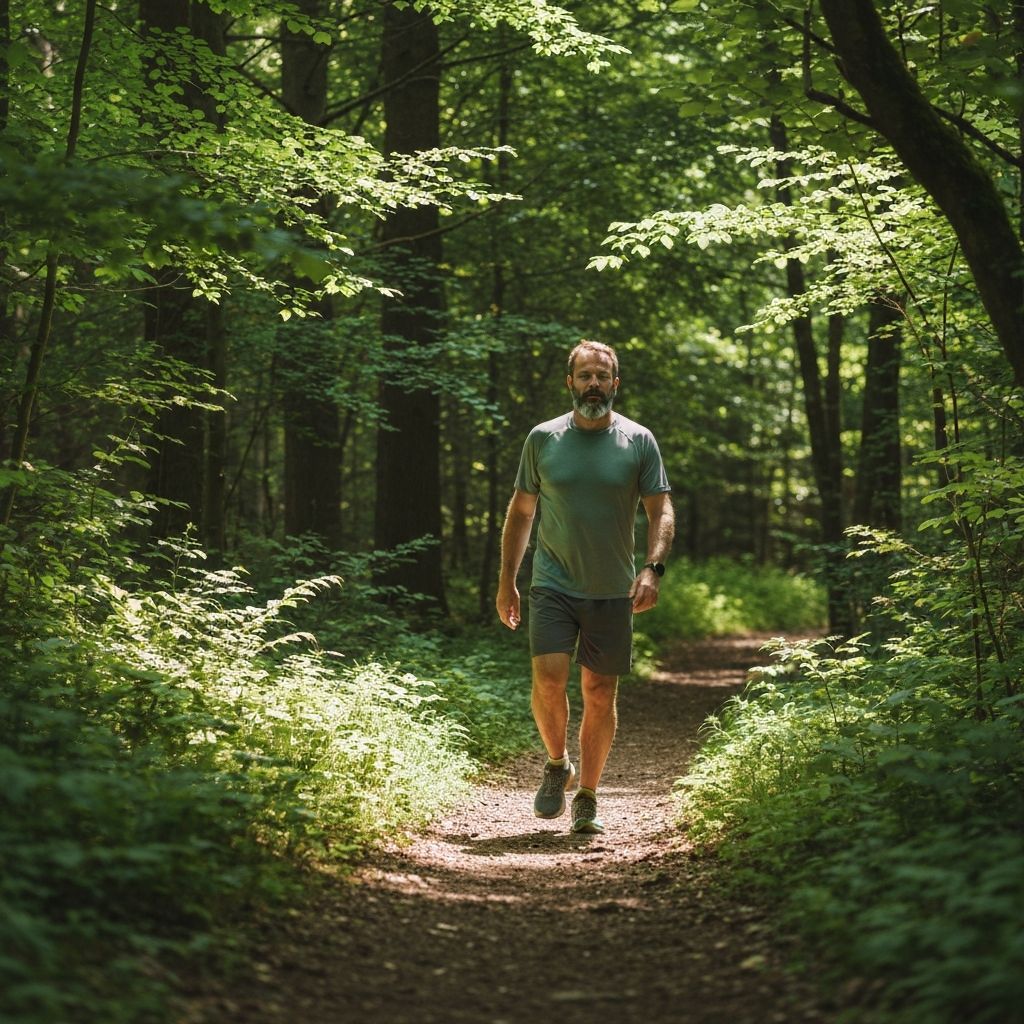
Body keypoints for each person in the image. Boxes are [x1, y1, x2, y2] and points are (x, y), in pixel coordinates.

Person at [495, 339, 674, 834]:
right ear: (569, 382)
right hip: (552, 584)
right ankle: (557, 764)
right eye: (584, 376)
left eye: (601, 376)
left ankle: (589, 796)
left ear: (615, 384)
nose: (593, 384)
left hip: (613, 589)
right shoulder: (543, 439)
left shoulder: (638, 440)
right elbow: (522, 513)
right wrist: (507, 581)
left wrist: (652, 569)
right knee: (548, 679)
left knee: (599, 690)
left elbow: (660, 509)